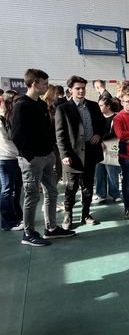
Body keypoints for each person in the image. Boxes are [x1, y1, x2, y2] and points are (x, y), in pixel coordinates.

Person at [11, 69, 76, 245]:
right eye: (45, 84)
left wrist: (50, 151)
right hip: (32, 159)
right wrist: (30, 157)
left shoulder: (40, 104)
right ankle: (28, 233)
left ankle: (51, 228)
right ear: (35, 84)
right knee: (32, 196)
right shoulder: (21, 105)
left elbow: (46, 130)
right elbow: (16, 135)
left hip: (47, 156)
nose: (47, 87)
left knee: (51, 192)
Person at [56, 75, 106, 229]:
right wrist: (64, 154)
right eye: (77, 88)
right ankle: (68, 216)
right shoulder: (63, 108)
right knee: (71, 187)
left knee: (88, 186)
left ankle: (86, 214)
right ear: (70, 90)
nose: (81, 91)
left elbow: (102, 123)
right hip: (73, 154)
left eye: (83, 88)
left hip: (91, 151)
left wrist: (98, 134)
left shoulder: (93, 105)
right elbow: (60, 134)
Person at [0, 90, 23, 231]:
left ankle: (17, 216)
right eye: (16, 101)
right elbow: (5, 141)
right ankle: (8, 222)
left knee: (17, 189)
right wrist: (20, 151)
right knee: (7, 190)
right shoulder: (1, 118)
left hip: (16, 158)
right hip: (6, 159)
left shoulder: (13, 117)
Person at [94, 97, 122, 204]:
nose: (99, 107)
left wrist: (100, 139)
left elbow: (114, 133)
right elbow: (94, 131)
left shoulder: (116, 118)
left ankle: (115, 194)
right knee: (99, 172)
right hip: (99, 148)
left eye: (101, 105)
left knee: (112, 172)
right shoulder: (98, 117)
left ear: (108, 106)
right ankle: (101, 194)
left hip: (111, 147)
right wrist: (99, 142)